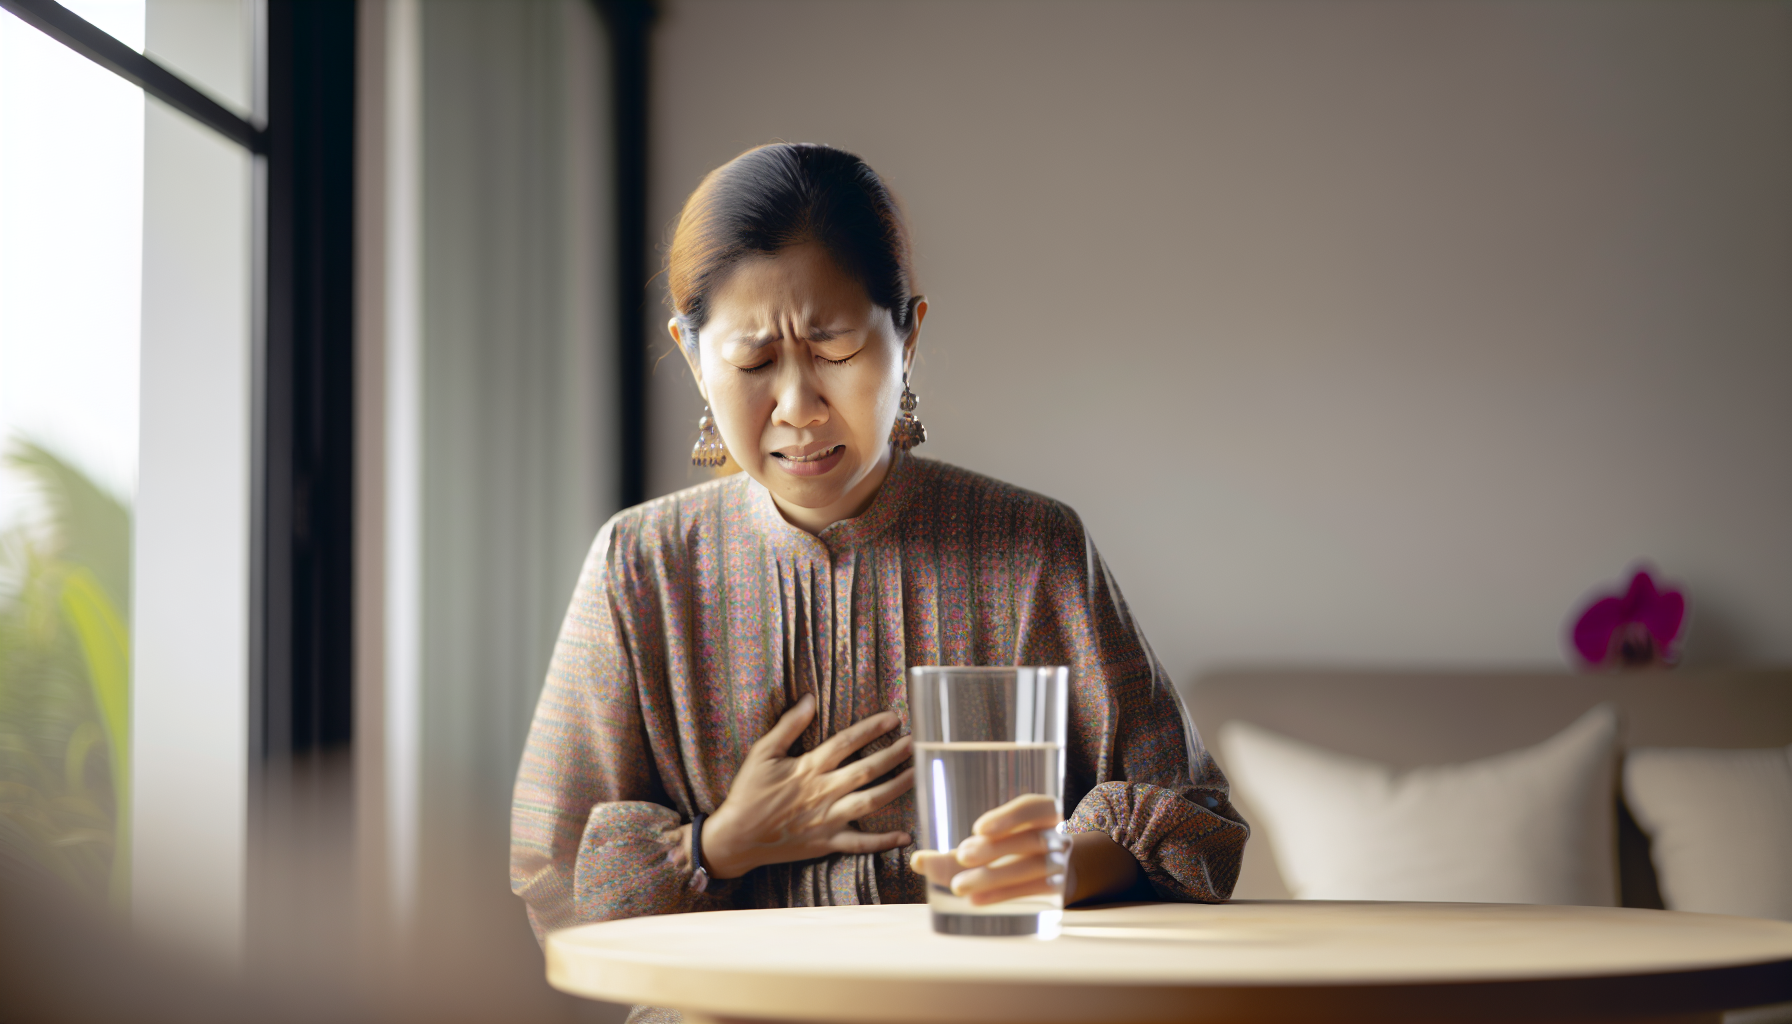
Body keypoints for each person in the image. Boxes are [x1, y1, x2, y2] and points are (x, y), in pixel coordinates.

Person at [510, 144, 1247, 946]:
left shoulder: (1033, 549)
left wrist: (1064, 863)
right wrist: (720, 844)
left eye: (835, 351)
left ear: (908, 334)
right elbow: (556, 882)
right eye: (754, 360)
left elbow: (1199, 824)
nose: (799, 407)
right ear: (691, 356)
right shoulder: (641, 565)